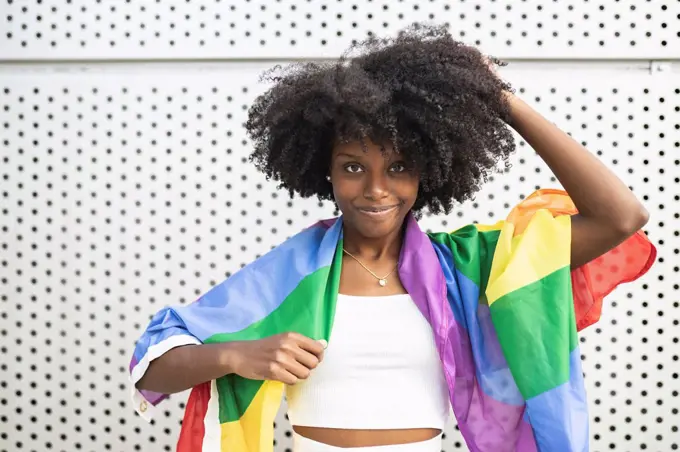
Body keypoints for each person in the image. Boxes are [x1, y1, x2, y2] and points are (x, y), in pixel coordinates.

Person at [128, 25, 655, 452]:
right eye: (353, 166)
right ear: (325, 172)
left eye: (398, 166)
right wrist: (239, 356)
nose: (376, 189)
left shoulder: (470, 269)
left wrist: (499, 99)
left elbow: (620, 217)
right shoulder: (291, 275)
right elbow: (155, 361)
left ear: (427, 173)